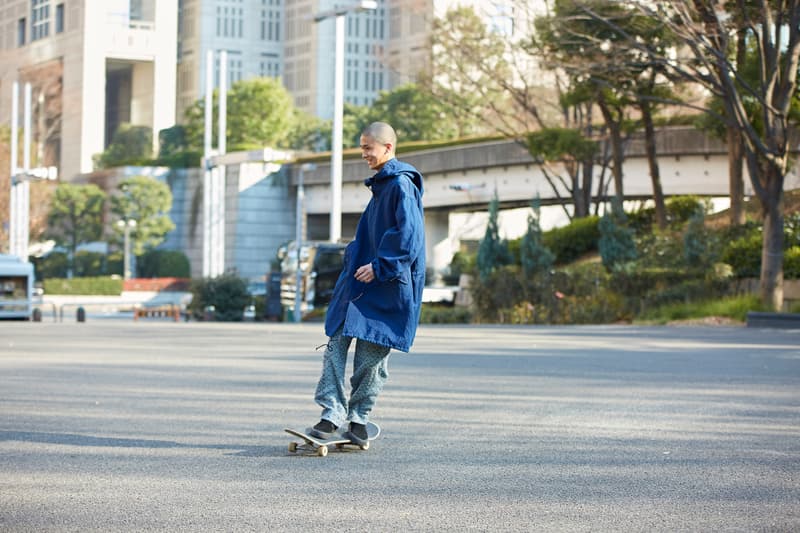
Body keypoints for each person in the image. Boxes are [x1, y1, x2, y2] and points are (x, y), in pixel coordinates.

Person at [309, 121, 426, 446]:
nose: (363, 154)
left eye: (367, 148)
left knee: (370, 359)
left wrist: (381, 266)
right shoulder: (382, 187)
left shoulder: (401, 185)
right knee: (334, 344)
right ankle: (331, 414)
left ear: (387, 147)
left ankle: (359, 418)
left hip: (386, 286)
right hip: (358, 285)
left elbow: (409, 236)